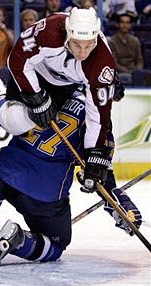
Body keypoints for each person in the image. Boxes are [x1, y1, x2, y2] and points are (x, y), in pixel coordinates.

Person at [0, 74, 142, 266]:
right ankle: (19, 241)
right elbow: (102, 175)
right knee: (56, 244)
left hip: (4, 169)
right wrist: (122, 206)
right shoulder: (97, 123)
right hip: (42, 194)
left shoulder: (53, 85)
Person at [6, 7, 123, 194]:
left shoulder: (102, 62)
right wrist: (35, 97)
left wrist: (94, 153)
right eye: (77, 44)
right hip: (33, 73)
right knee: (12, 120)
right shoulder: (49, 31)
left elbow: (98, 117)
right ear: (67, 35)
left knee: (29, 126)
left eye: (88, 45)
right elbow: (17, 59)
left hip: (65, 85)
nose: (82, 52)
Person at [108, 14, 144, 85]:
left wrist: (137, 71)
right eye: (122, 22)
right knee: (124, 77)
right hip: (119, 72)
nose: (125, 25)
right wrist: (129, 72)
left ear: (130, 25)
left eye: (127, 23)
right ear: (117, 24)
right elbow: (114, 63)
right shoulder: (112, 42)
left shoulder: (135, 40)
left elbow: (139, 60)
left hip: (134, 71)